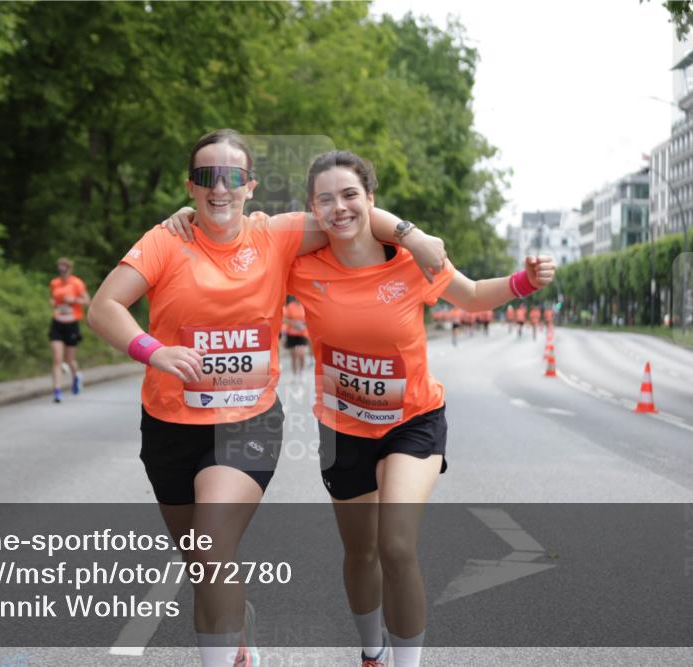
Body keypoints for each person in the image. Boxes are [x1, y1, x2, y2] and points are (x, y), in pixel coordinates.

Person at [87, 129, 447, 667]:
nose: (219, 188)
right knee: (202, 565)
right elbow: (104, 308)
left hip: (247, 423)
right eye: (207, 177)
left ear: (250, 186)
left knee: (211, 547)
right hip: (169, 424)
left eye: (232, 176)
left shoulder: (275, 234)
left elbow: (348, 212)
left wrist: (410, 235)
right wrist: (153, 351)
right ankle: (239, 625)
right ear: (191, 186)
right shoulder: (166, 240)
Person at [286, 150, 555, 667]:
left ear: (371, 199)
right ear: (312, 209)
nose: (339, 208)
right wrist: (189, 217)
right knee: (360, 552)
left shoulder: (412, 262)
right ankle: (372, 652)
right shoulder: (301, 268)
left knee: (396, 544)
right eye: (325, 199)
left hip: (413, 422)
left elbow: (471, 296)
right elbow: (243, 244)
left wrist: (524, 282)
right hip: (343, 429)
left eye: (350, 195)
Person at [49, 257, 90, 402]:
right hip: (57, 322)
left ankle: (76, 377)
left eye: (64, 268)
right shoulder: (54, 283)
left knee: (70, 359)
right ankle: (57, 391)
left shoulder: (77, 283)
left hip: (72, 324)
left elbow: (87, 301)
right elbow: (53, 299)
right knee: (57, 358)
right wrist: (53, 302)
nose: (62, 271)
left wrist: (74, 300)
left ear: (69, 269)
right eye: (59, 268)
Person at [282, 295, 309, 377]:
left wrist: (304, 324)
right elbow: (284, 319)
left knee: (302, 353)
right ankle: (294, 374)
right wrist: (294, 324)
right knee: (293, 355)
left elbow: (311, 318)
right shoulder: (290, 306)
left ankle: (302, 372)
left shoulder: (306, 306)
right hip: (291, 333)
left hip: (303, 333)